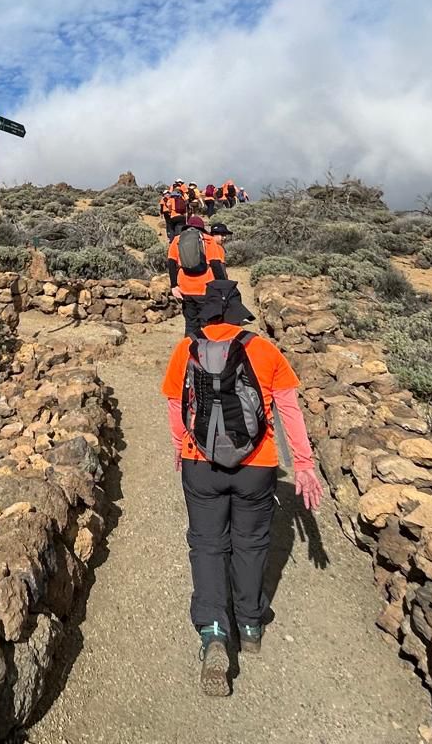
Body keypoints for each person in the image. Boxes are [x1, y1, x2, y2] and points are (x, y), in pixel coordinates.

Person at [161, 280, 325, 697]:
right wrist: (303, 465)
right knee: (252, 542)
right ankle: (250, 623)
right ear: (237, 313)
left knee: (207, 543)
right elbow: (289, 409)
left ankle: (215, 630)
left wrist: (181, 446)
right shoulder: (265, 350)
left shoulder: (187, 349)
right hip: (258, 466)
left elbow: (174, 404)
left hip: (200, 464)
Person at [167, 215, 226, 338]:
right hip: (205, 288)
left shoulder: (177, 240)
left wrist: (174, 285)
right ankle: (206, 352)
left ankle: (190, 351)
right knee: (208, 324)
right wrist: (223, 287)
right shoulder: (209, 240)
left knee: (190, 324)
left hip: (185, 289)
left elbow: (171, 264)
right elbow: (216, 265)